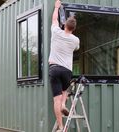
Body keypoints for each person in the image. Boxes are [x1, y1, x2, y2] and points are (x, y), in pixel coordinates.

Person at [48, 0, 80, 131]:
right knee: (65, 91)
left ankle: (61, 127)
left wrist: (56, 8)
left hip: (54, 68)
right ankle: (63, 104)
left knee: (56, 98)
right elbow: (77, 48)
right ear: (74, 28)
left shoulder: (56, 32)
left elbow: (54, 19)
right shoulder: (75, 40)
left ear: (64, 25)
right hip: (66, 70)